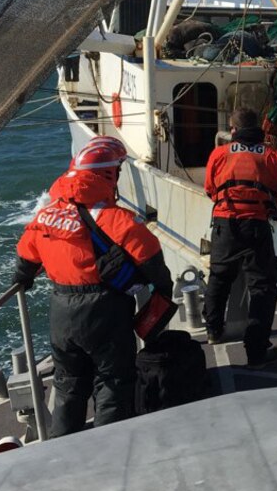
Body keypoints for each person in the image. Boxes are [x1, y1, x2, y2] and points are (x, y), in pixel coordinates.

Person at [13, 136, 173, 437]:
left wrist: (25, 279)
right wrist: (160, 298)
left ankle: (60, 449)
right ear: (108, 175)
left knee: (69, 385)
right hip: (105, 314)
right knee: (112, 383)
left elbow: (23, 266)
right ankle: (107, 451)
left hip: (61, 314)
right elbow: (156, 271)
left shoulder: (45, 216)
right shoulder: (119, 221)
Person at [203, 107, 277, 368]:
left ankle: (213, 331)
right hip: (257, 226)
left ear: (233, 130)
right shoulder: (273, 155)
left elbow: (210, 190)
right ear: (256, 128)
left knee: (219, 277)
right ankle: (256, 352)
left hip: (225, 224)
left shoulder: (219, 153)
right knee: (262, 288)